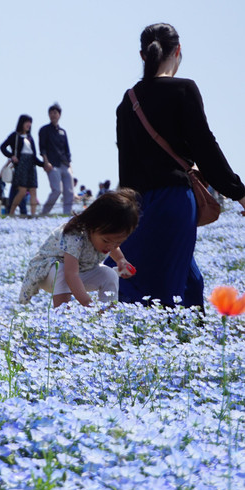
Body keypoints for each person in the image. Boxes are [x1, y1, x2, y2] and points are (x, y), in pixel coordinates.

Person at [114, 22, 245, 308]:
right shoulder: (183, 89)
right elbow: (205, 147)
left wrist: (123, 215)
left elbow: (126, 168)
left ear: (142, 55)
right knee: (170, 287)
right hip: (174, 200)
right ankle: (166, 342)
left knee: (177, 281)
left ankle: (184, 341)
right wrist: (238, 192)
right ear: (178, 51)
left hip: (138, 206)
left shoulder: (128, 102)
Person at [19, 189, 139, 307]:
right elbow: (70, 274)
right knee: (60, 269)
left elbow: (112, 246)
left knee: (110, 274)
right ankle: (62, 317)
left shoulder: (105, 237)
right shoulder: (75, 235)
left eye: (118, 242)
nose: (111, 246)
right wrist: (88, 304)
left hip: (79, 272)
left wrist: (120, 260)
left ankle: (107, 317)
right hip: (48, 273)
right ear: (92, 225)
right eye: (106, 240)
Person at [2, 115, 45, 216]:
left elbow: (34, 156)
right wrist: (11, 156)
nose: (29, 125)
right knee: (22, 191)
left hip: (31, 165)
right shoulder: (15, 136)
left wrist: (43, 165)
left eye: (30, 123)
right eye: (27, 122)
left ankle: (33, 215)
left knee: (33, 190)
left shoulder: (30, 138)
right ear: (21, 123)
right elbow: (2, 147)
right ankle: (11, 213)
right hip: (21, 164)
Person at [38, 103, 74, 215]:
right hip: (52, 164)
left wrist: (70, 165)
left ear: (59, 115)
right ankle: (44, 213)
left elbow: (67, 150)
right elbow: (42, 148)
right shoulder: (44, 130)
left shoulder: (63, 131)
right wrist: (46, 162)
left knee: (70, 191)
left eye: (55, 113)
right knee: (57, 190)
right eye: (51, 113)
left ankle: (67, 215)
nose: (53, 115)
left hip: (64, 163)